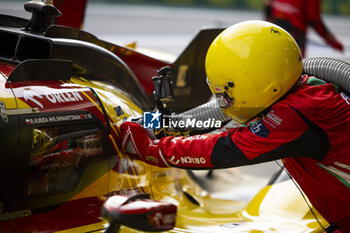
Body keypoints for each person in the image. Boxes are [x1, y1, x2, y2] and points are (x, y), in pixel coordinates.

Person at [120, 21, 350, 232]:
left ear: (258, 80)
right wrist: (149, 124)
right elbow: (200, 118)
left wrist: (151, 149)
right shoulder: (306, 89)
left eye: (225, 94)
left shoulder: (297, 114)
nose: (223, 102)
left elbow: (225, 148)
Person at [264, 0, 343, 56]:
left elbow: (268, 6)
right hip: (294, 41)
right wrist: (335, 44)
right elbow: (314, 20)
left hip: (273, 35)